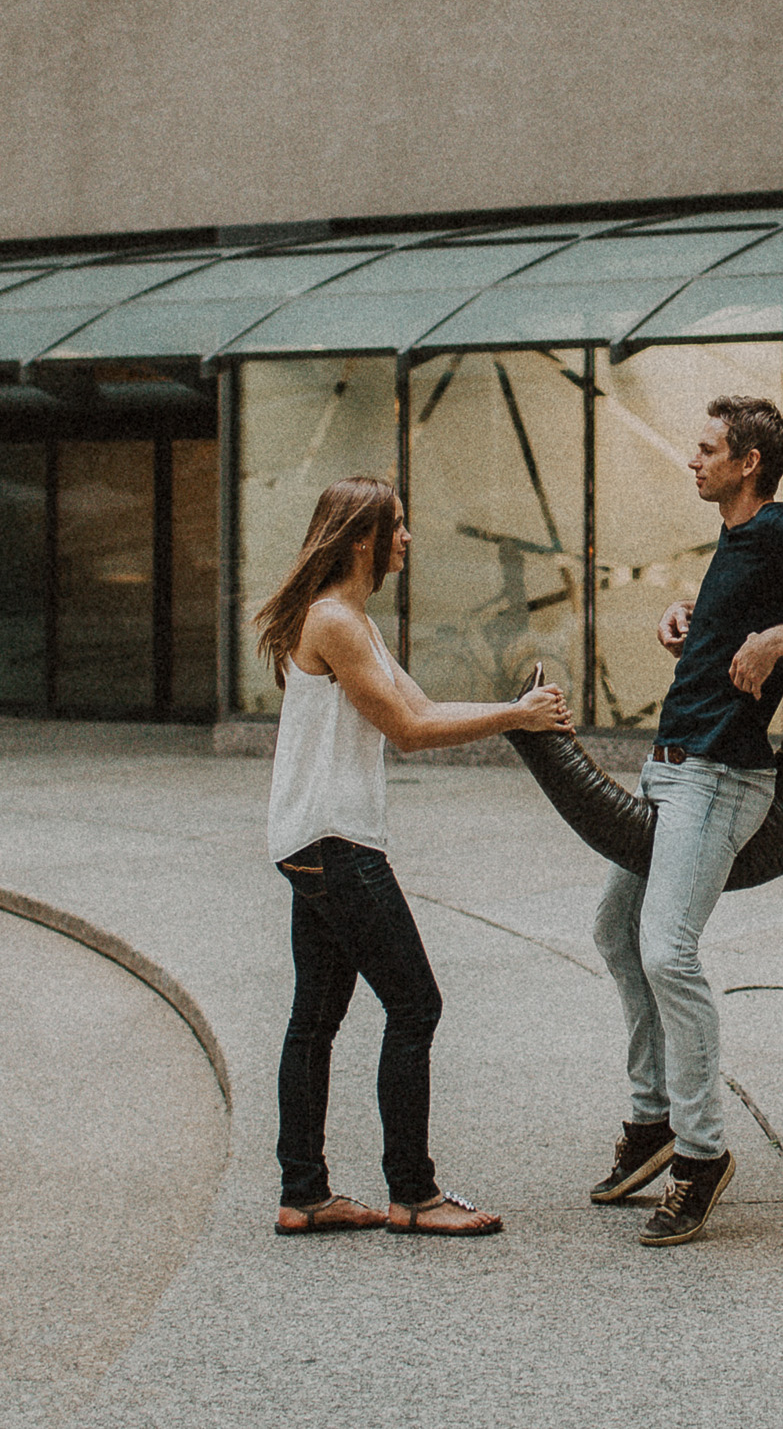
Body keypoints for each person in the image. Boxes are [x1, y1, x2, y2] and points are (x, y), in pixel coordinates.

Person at [590, 398, 783, 1245]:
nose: (694, 459)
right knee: (616, 932)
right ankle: (652, 1120)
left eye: (707, 448)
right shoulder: (738, 541)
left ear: (749, 461)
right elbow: (736, 622)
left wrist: (780, 643)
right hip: (670, 768)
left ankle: (700, 1154)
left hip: (719, 780)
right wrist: (688, 624)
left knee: (667, 950)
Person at [255, 475, 571, 1238]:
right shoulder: (334, 620)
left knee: (315, 1018)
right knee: (415, 1003)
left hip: (310, 840)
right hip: (337, 842)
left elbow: (424, 708)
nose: (407, 539)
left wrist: (511, 714)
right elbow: (408, 730)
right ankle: (415, 1194)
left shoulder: (350, 619)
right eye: (397, 526)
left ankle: (305, 1193)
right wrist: (518, 716)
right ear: (361, 537)